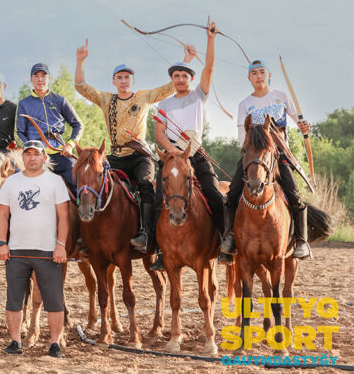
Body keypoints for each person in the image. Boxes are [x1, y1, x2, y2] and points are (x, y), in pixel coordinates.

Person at [74, 39, 177, 252]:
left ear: (132, 80)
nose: (123, 81)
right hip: (116, 156)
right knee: (94, 182)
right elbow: (80, 87)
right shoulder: (106, 99)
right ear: (113, 81)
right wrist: (80, 62)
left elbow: (170, 87)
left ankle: (147, 235)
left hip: (140, 155)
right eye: (119, 77)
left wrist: (185, 61)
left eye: (127, 77)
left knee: (146, 186)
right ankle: (88, 236)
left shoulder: (143, 96)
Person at [154, 17, 228, 270]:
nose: (181, 79)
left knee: (216, 197)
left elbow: (209, 66)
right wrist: (172, 150)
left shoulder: (199, 96)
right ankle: (159, 249)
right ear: (172, 79)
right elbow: (159, 132)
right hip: (171, 157)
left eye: (185, 75)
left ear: (191, 79)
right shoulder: (164, 104)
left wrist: (210, 39)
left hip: (195, 154)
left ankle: (224, 243)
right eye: (176, 75)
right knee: (155, 198)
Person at [220, 59, 312, 260]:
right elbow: (240, 134)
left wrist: (304, 126)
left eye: (262, 72)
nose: (259, 75)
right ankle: (230, 237)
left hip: (278, 155)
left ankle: (302, 241)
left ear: (268, 75)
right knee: (232, 193)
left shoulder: (281, 96)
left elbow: (298, 120)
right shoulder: (244, 104)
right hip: (253, 156)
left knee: (294, 196)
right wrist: (249, 154)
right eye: (255, 73)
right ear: (249, 78)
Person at [0, 140, 69, 358]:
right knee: (14, 300)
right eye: (27, 154)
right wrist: (2, 242)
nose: (32, 158)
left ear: (44, 158)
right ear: (22, 158)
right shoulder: (11, 182)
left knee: (54, 301)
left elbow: (64, 217)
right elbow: (2, 214)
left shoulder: (55, 182)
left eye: (36, 154)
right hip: (17, 251)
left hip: (48, 251)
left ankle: (55, 344)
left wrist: (61, 245)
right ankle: (15, 342)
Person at [16, 63, 82, 194]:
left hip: (59, 153)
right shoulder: (23, 104)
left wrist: (69, 145)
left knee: (79, 183)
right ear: (31, 79)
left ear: (49, 78)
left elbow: (78, 125)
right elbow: (19, 133)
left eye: (43, 76)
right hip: (36, 156)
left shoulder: (60, 100)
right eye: (36, 76)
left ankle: (83, 212)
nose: (40, 79)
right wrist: (31, 149)